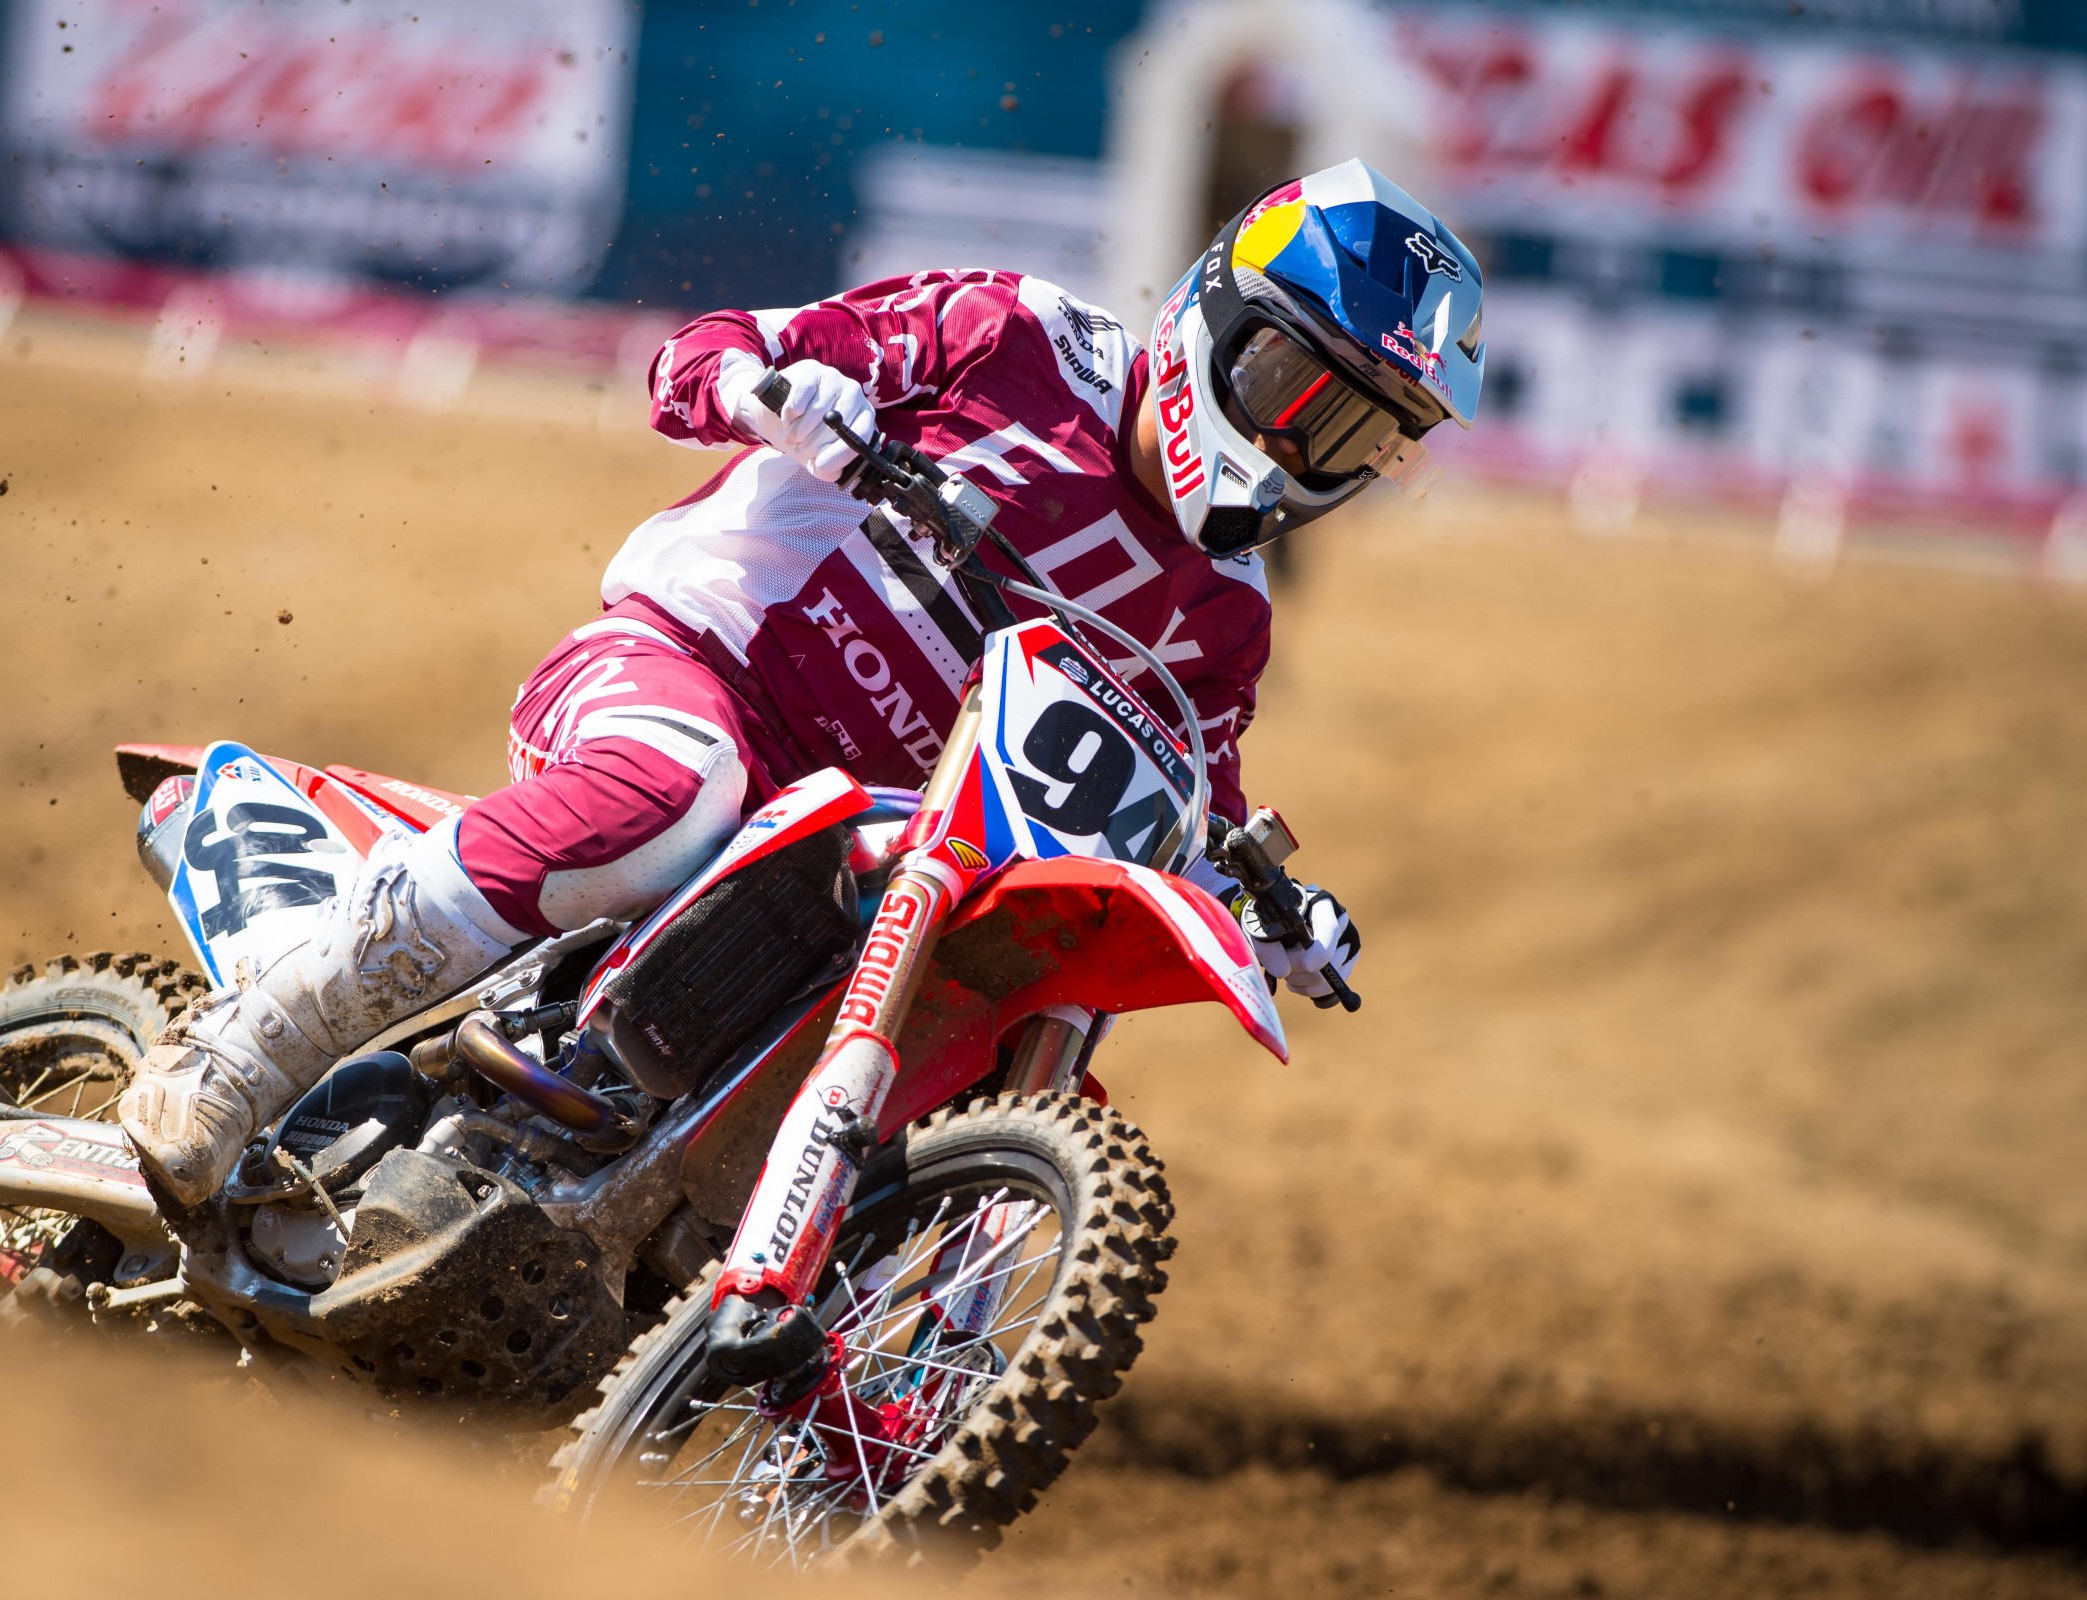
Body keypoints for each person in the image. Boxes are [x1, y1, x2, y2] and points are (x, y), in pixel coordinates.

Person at [120, 158, 1486, 1209]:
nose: (1306, 443)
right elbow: (699, 352)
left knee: (1001, 982)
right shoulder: (1014, 339)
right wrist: (772, 395)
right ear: (1217, 316)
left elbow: (1188, 778)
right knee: (675, 788)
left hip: (878, 839)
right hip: (690, 667)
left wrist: (1262, 898)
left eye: (1357, 431)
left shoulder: (1228, 617)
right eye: (1296, 385)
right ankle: (239, 1053)